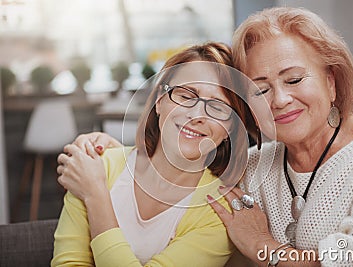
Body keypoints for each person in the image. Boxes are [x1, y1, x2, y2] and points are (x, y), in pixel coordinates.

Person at [69, 7, 353, 266]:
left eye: (295, 80)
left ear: (331, 81)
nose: (280, 99)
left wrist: (262, 246)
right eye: (260, 88)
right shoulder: (251, 166)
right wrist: (110, 155)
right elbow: (184, 162)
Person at [52, 42, 250, 267]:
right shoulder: (97, 165)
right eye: (186, 95)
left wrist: (96, 195)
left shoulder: (220, 212)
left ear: (230, 129)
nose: (197, 115)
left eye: (218, 107)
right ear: (159, 100)